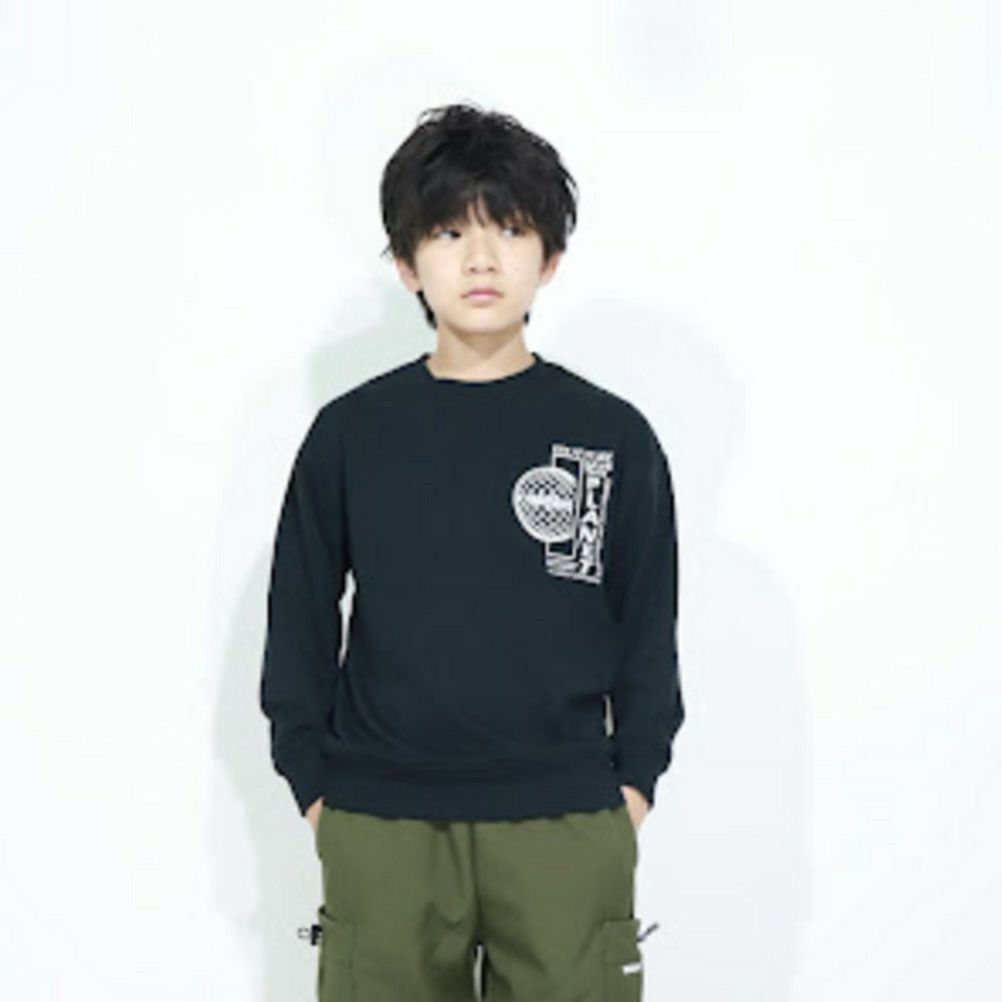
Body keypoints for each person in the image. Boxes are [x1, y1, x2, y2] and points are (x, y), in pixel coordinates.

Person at [259, 101, 684, 1001]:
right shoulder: (351, 435)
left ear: (550, 258)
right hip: (384, 821)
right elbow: (298, 619)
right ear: (407, 261)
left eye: (512, 229)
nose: (481, 259)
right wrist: (317, 787)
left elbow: (648, 623)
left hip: (566, 819)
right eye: (450, 232)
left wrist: (633, 787)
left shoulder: (610, 437)